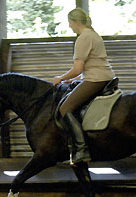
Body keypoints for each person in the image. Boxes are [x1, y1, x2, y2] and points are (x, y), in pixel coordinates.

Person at [53, 8, 115, 164]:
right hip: (101, 77)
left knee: (65, 108)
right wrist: (74, 79)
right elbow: (91, 65)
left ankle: (81, 149)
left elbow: (77, 69)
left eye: (70, 22)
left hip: (96, 79)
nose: (69, 26)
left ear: (76, 22)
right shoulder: (93, 35)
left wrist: (60, 78)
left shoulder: (83, 38)